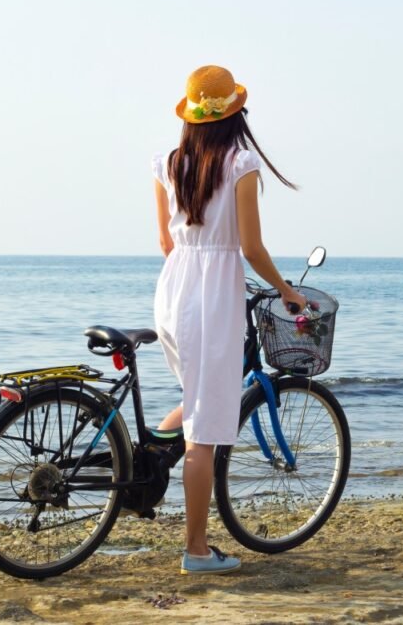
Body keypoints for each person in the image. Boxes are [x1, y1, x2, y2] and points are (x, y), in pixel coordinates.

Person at [150, 65, 306, 575]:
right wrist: (285, 291)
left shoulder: (169, 163)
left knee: (196, 400)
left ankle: (144, 460)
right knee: (204, 432)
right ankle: (196, 551)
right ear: (235, 112)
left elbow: (166, 243)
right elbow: (250, 247)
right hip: (212, 296)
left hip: (173, 290)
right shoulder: (241, 163)